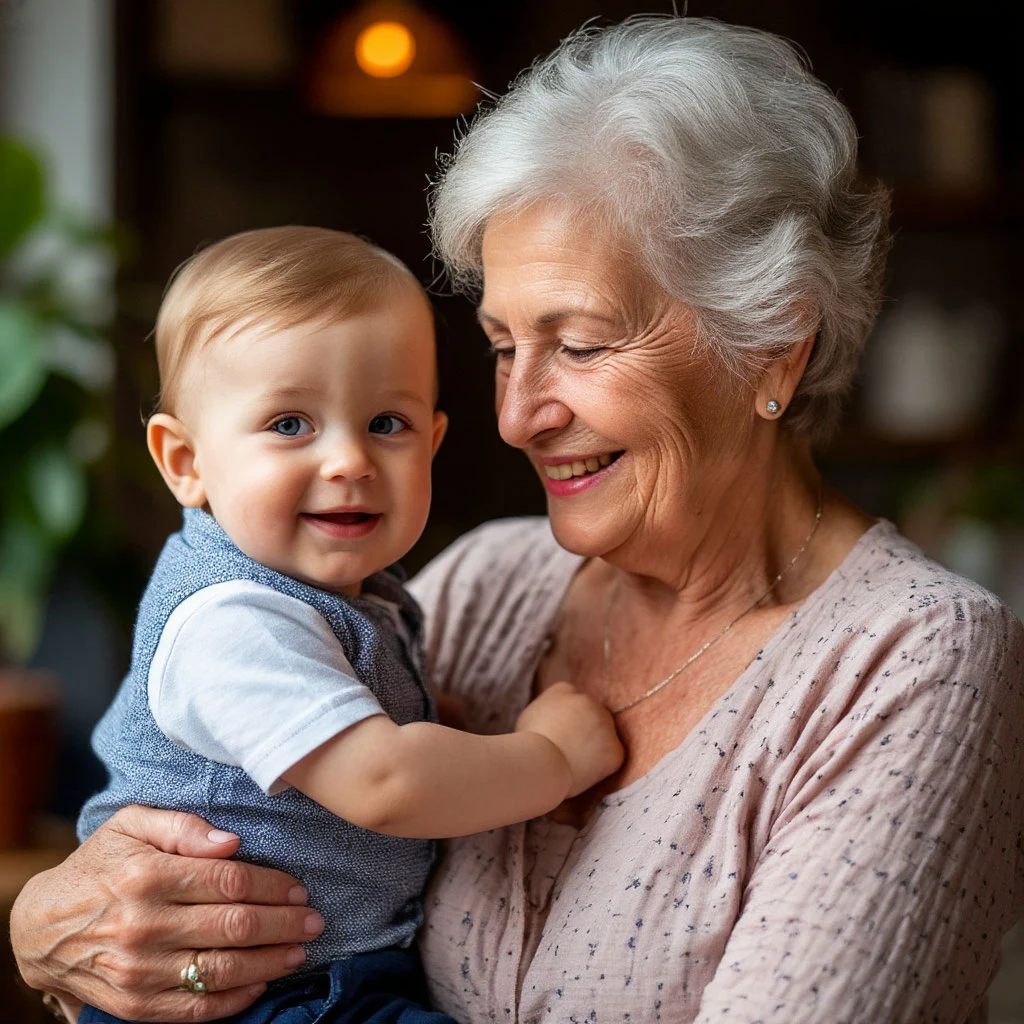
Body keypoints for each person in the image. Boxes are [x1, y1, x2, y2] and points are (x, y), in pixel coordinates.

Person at [12, 16, 1024, 1024]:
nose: (514, 417)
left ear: (771, 345)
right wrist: (58, 935)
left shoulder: (916, 661)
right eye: (502, 347)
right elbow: (158, 884)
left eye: (577, 346)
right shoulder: (480, 585)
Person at [71, 225, 623, 1024]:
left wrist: (428, 720)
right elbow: (386, 781)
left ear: (432, 443)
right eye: (290, 424)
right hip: (258, 997)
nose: (349, 462)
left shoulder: (339, 594)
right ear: (186, 463)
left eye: (387, 425)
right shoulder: (231, 621)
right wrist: (550, 758)